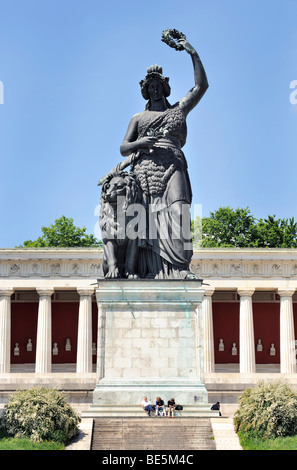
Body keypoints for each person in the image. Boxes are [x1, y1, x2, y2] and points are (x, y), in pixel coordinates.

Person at [120, 35, 208, 280]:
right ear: (145, 90)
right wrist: (141, 142)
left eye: (158, 85)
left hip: (173, 165)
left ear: (165, 86)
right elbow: (124, 148)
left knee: (179, 212)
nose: (155, 89)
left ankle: (180, 268)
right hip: (144, 171)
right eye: (150, 86)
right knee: (145, 219)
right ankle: (149, 270)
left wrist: (192, 52)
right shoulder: (138, 118)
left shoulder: (178, 109)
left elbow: (201, 86)